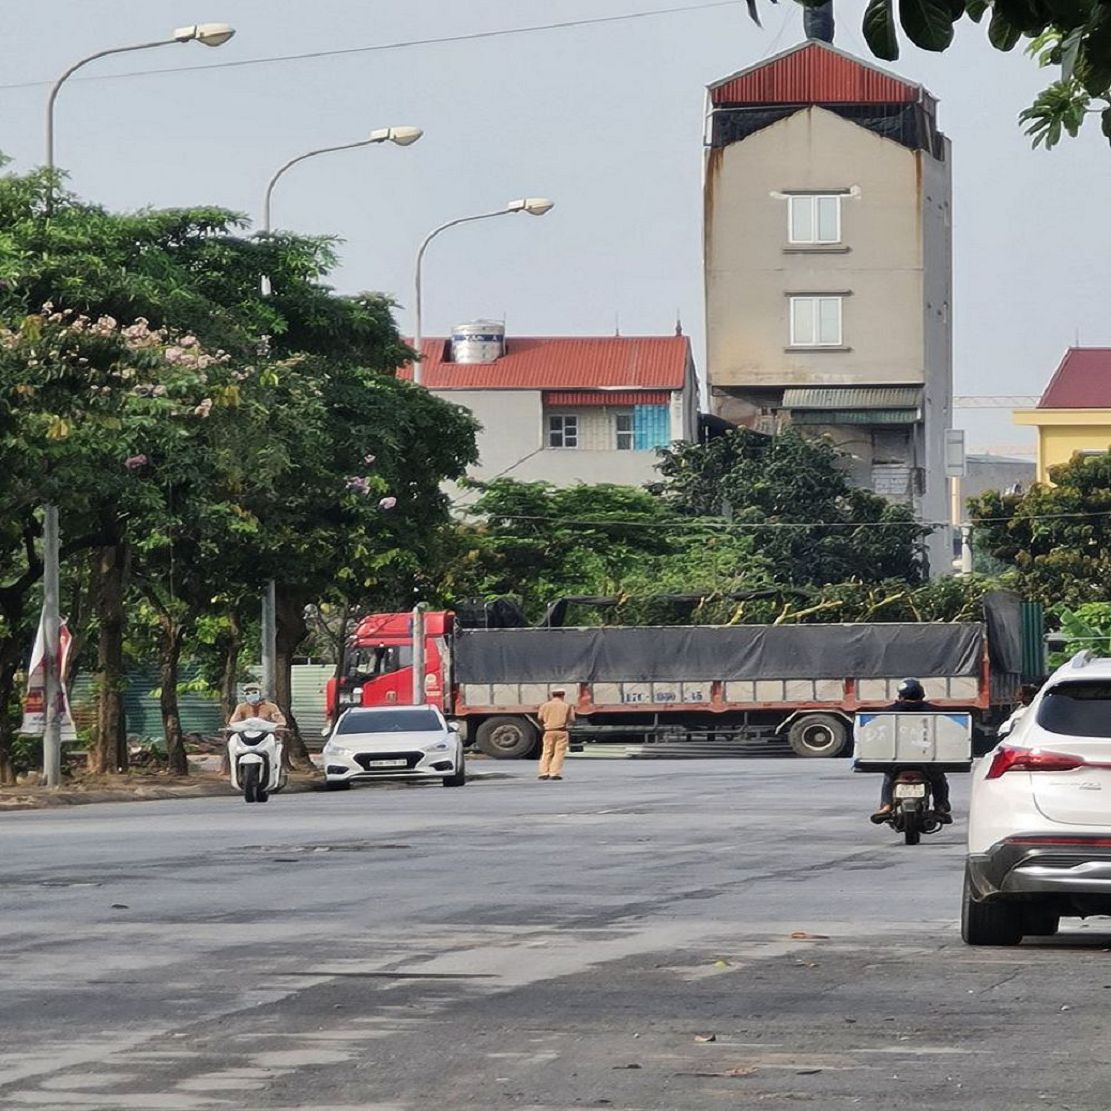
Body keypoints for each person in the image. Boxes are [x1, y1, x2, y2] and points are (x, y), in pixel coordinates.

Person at [870, 677, 952, 825]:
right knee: (938, 778)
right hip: (926, 758)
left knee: (889, 777)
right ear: (922, 694)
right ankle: (940, 806)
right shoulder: (933, 711)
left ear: (900, 695)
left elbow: (875, 730)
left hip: (898, 758)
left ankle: (886, 806)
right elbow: (948, 730)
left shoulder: (889, 711)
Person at [537, 687, 575, 781]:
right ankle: (554, 773)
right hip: (561, 731)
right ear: (563, 695)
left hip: (549, 731)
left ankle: (543, 773)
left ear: (552, 695)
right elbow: (572, 719)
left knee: (547, 752)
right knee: (559, 753)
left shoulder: (545, 705)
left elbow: (540, 718)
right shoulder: (567, 706)